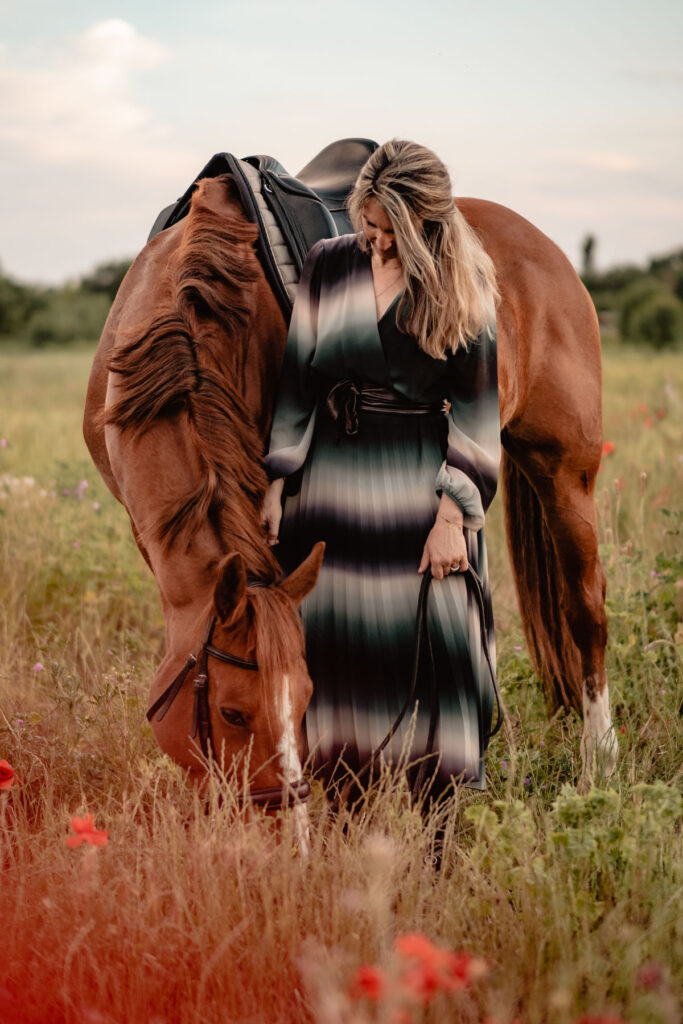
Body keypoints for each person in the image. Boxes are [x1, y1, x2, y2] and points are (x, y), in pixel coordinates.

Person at [261, 139, 500, 794]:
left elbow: (478, 415)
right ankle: (338, 799)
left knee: (434, 639)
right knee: (333, 643)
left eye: (390, 230)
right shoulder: (328, 263)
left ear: (427, 226)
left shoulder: (463, 284)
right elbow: (296, 384)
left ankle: (436, 814)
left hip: (418, 492)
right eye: (366, 223)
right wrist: (278, 482)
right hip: (328, 488)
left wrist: (452, 516)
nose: (374, 240)